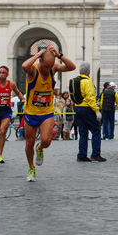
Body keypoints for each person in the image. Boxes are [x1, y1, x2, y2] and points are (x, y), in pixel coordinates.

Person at [22, 45, 76, 181]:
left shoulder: (53, 69)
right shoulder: (33, 71)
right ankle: (31, 167)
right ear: (40, 61)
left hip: (46, 112)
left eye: (50, 66)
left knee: (46, 141)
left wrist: (59, 55)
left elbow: (72, 67)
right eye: (46, 66)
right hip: (30, 112)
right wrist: (37, 54)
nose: (48, 70)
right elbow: (24, 66)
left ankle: (39, 148)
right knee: (29, 143)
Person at [0, 65, 24, 163]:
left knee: (3, 132)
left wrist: (22, 99)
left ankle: (0, 155)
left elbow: (18, 92)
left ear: (7, 74)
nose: (1, 75)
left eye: (3, 73)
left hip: (6, 111)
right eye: (0, 73)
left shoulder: (11, 84)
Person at [75, 61, 106, 162]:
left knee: (83, 133)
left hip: (78, 108)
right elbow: (90, 97)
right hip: (87, 108)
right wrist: (96, 110)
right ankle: (95, 154)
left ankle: (81, 155)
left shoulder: (76, 81)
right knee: (96, 130)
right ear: (88, 71)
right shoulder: (87, 82)